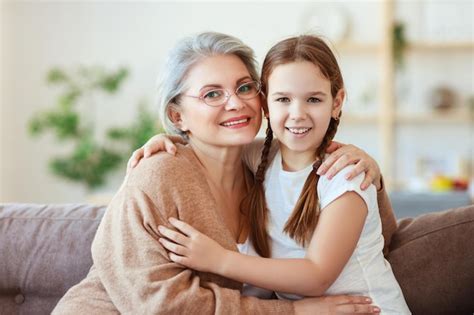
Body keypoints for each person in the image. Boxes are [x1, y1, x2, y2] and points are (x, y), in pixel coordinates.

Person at [53, 32, 396, 314]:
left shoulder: (263, 165)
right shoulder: (158, 176)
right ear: (177, 116)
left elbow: (377, 236)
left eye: (245, 88)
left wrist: (370, 169)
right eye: (212, 94)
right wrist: (295, 312)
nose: (235, 103)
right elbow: (166, 307)